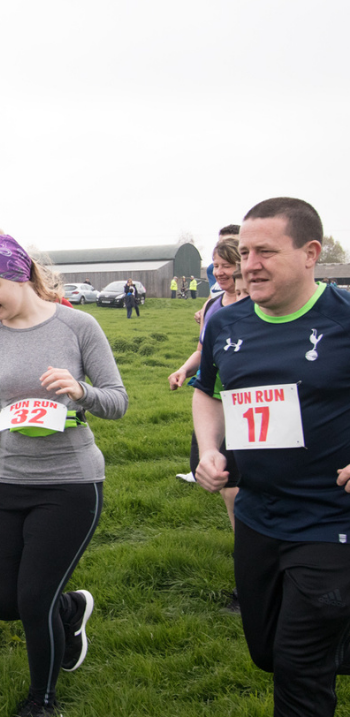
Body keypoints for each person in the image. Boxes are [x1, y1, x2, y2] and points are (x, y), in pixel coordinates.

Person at [0, 233, 127, 716]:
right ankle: (70, 610)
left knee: (34, 600)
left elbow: (117, 400)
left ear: (21, 275)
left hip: (72, 483)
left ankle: (43, 701)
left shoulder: (79, 326)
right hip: (6, 482)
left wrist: (81, 391)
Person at [193, 197, 350, 717]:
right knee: (266, 653)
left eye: (265, 251)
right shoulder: (226, 323)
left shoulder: (344, 319)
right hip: (258, 514)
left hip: (331, 520)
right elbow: (208, 391)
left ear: (310, 253)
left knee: (298, 665)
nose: (248, 264)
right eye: (244, 252)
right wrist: (211, 449)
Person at [169, 238, 242, 610]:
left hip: (249, 406)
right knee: (226, 488)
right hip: (216, 399)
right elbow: (205, 351)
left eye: (226, 264)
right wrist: (184, 369)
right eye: (215, 266)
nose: (220, 272)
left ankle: (249, 580)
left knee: (238, 493)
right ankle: (250, 572)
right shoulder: (214, 304)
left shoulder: (258, 303)